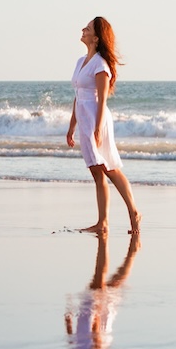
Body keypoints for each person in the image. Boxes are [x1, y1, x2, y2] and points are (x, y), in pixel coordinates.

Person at [66, 17, 142, 234]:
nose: (83, 29)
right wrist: (71, 126)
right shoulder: (81, 61)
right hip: (84, 118)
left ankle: (133, 212)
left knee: (109, 168)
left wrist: (98, 128)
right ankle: (103, 223)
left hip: (96, 119)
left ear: (96, 38)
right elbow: (77, 96)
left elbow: (102, 99)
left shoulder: (101, 64)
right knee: (97, 172)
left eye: (87, 28)